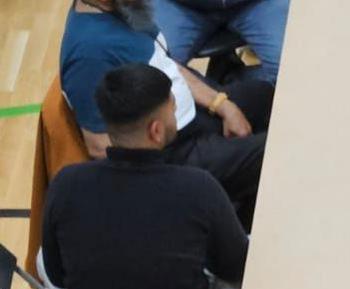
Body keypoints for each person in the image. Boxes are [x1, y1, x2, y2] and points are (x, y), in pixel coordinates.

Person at [40, 63, 247, 289]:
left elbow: (57, 275)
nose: (176, 116)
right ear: (156, 131)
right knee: (250, 262)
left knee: (43, 257)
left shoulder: (65, 184)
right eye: (173, 110)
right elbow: (235, 267)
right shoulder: (198, 187)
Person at [60, 0, 271, 229]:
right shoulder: (88, 55)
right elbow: (100, 147)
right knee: (273, 154)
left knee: (268, 97)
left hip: (188, 114)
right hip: (175, 153)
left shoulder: (124, 8)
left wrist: (222, 105)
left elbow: (167, 64)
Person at [151, 0, 291, 85]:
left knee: (295, 72)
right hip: (180, 6)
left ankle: (238, 83)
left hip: (258, 4)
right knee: (153, 75)